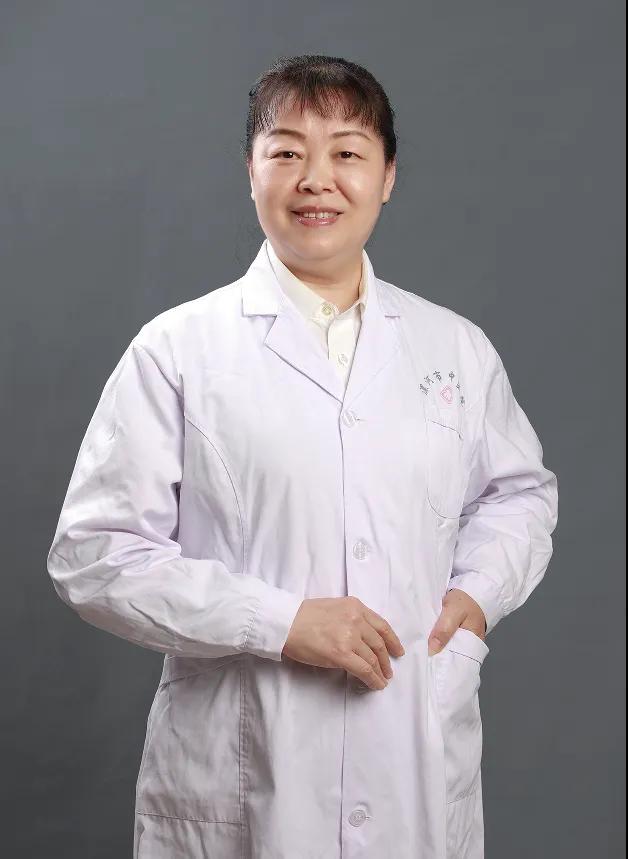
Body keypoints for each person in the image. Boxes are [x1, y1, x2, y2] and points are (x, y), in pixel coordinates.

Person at [47, 54, 559, 859]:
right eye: (286, 151)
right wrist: (280, 622)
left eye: (347, 152)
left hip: (413, 756)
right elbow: (94, 554)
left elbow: (519, 493)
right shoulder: (177, 350)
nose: (316, 178)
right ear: (251, 171)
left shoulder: (454, 348)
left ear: (388, 176)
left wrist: (479, 591)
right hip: (247, 770)